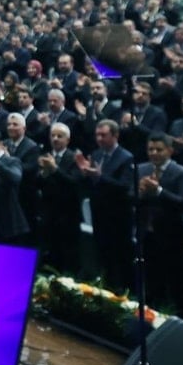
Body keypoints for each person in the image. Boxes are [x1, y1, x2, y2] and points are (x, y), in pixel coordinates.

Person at [135, 133, 183, 310]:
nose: (154, 153)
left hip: (172, 237)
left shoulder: (181, 173)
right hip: (147, 234)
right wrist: (140, 193)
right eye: (150, 149)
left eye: (158, 150)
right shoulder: (141, 169)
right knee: (151, 282)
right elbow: (130, 197)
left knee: (175, 284)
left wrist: (159, 191)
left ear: (170, 150)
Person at [76, 119, 135, 292]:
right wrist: (86, 175)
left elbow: (125, 187)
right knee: (102, 253)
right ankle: (105, 288)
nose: (99, 139)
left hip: (118, 216)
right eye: (97, 135)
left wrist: (99, 177)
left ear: (115, 135)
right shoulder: (96, 154)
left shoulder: (126, 157)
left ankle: (122, 291)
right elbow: (92, 184)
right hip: (99, 213)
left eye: (104, 135)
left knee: (120, 257)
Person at [36, 122, 84, 275]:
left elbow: (74, 183)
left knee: (68, 256)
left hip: (68, 215)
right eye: (53, 136)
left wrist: (55, 169)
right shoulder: (45, 156)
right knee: (50, 254)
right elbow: (37, 184)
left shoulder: (74, 158)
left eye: (59, 136)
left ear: (67, 140)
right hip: (48, 213)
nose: (55, 139)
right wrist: (43, 174)